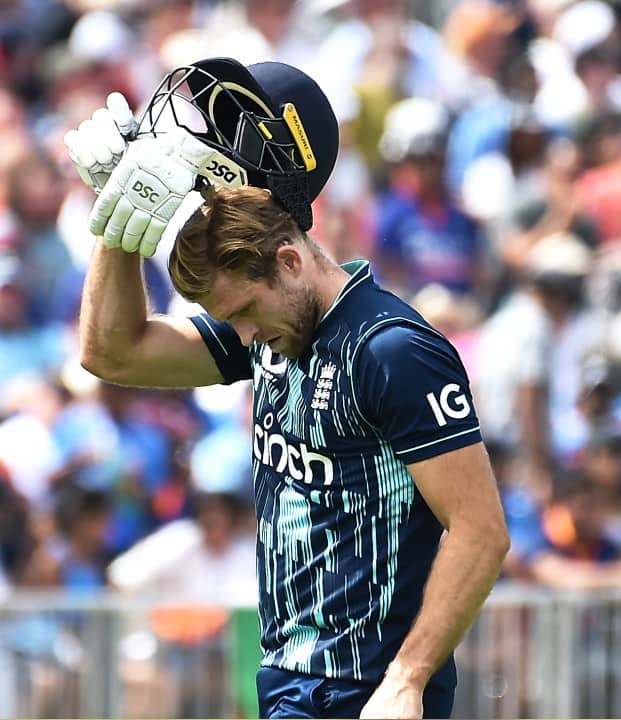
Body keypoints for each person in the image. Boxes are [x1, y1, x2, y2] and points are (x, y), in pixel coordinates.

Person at [66, 57, 509, 718]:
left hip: (368, 695)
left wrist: (407, 679)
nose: (240, 334)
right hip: (286, 684)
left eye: (244, 313)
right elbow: (113, 351)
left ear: (291, 261)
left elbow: (481, 532)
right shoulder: (271, 325)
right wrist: (116, 222)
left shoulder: (391, 350)